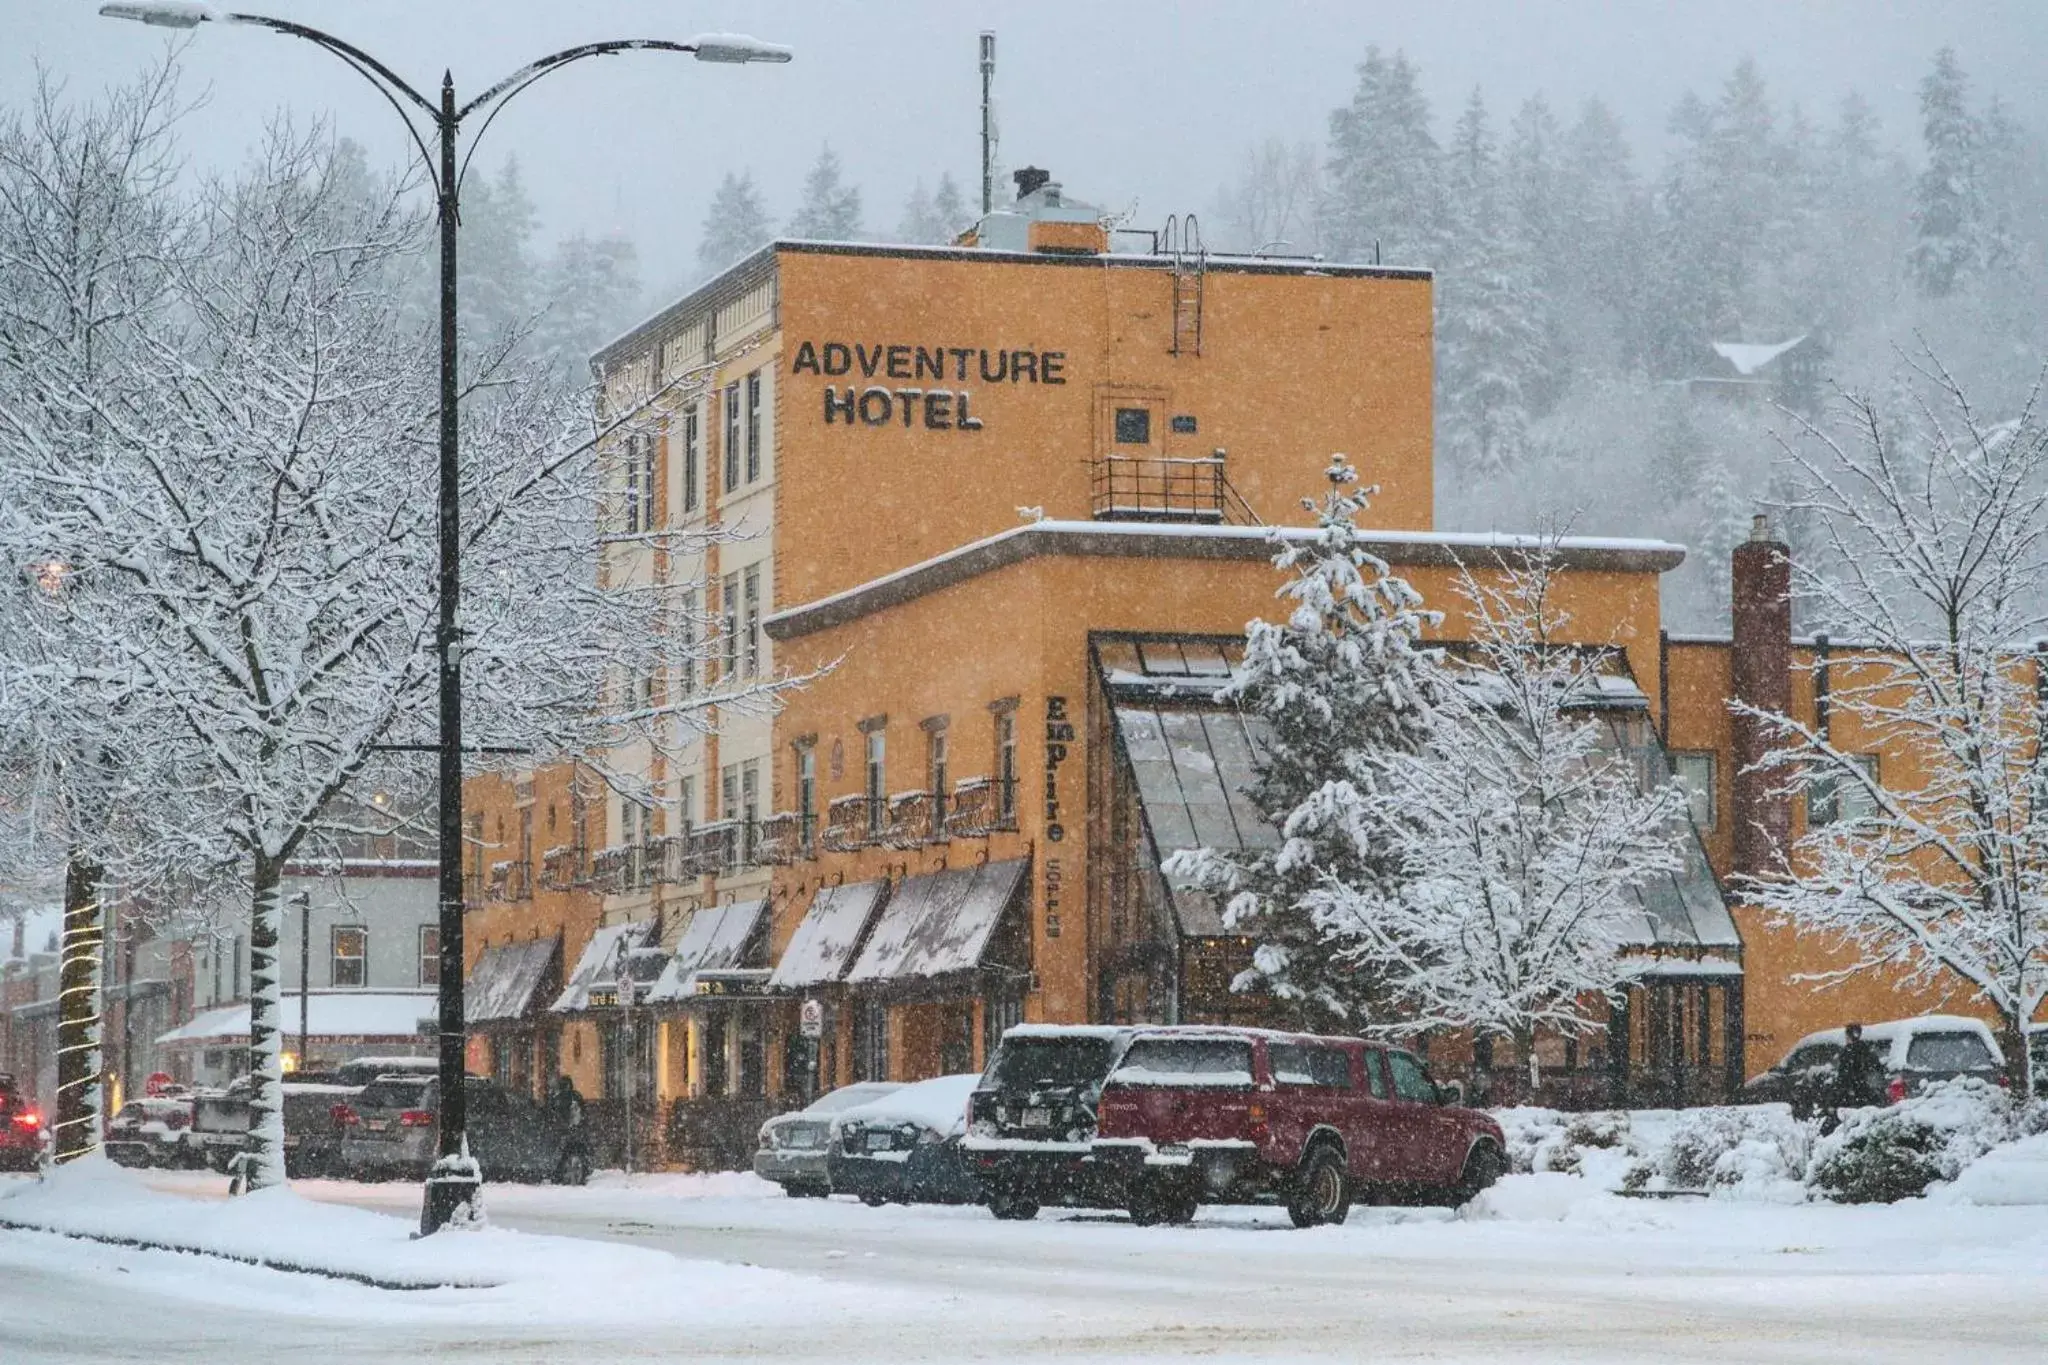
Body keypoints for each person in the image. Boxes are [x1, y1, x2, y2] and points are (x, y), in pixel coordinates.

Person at [1820, 1023, 1883, 1135]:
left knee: (1840, 1125)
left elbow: (1844, 1077)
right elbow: (1877, 1071)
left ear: (1848, 1036)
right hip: (1868, 1095)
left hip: (1850, 1095)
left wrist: (1834, 1099)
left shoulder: (1848, 1053)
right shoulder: (1868, 1052)